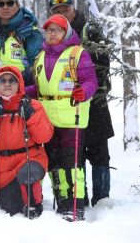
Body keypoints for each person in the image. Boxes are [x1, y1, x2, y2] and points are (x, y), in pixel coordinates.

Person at [26, 14, 97, 221]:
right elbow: (39, 89)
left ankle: (76, 205)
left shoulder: (77, 53)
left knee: (72, 162)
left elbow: (90, 80)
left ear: (65, 32)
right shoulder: (40, 56)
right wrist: (21, 91)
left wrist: (84, 92)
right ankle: (62, 199)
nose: (52, 34)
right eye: (48, 30)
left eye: (56, 30)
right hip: (47, 117)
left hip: (71, 114)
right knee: (54, 162)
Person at [48, 0, 114, 205]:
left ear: (73, 9)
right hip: (68, 105)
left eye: (65, 9)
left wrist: (85, 79)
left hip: (95, 101)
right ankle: (80, 197)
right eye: (57, 12)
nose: (62, 14)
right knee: (75, 152)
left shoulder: (89, 28)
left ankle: (102, 197)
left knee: (99, 151)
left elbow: (104, 61)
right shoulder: (55, 34)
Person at [0, 66, 54, 218]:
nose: (7, 84)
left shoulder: (33, 105)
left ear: (19, 84)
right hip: (3, 165)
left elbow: (45, 136)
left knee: (29, 173)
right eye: (2, 80)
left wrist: (30, 115)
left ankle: (34, 203)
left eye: (12, 80)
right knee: (11, 208)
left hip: (29, 158)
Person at [0, 0, 43, 85]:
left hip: (21, 89)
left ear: (18, 5)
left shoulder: (30, 31)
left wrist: (18, 78)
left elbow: (38, 67)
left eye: (10, 3)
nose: (5, 7)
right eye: (0, 4)